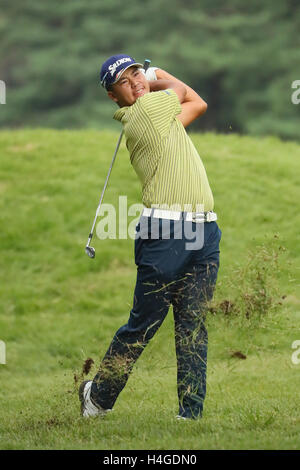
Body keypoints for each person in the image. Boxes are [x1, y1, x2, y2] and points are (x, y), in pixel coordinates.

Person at [79, 54, 222, 420]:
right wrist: (155, 74)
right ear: (113, 96)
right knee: (144, 324)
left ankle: (190, 415)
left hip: (203, 231)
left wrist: (148, 78)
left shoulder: (163, 118)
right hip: (165, 232)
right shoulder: (141, 115)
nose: (134, 82)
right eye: (124, 81)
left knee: (193, 324)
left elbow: (199, 103)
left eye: (135, 74)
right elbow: (179, 90)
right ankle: (97, 397)